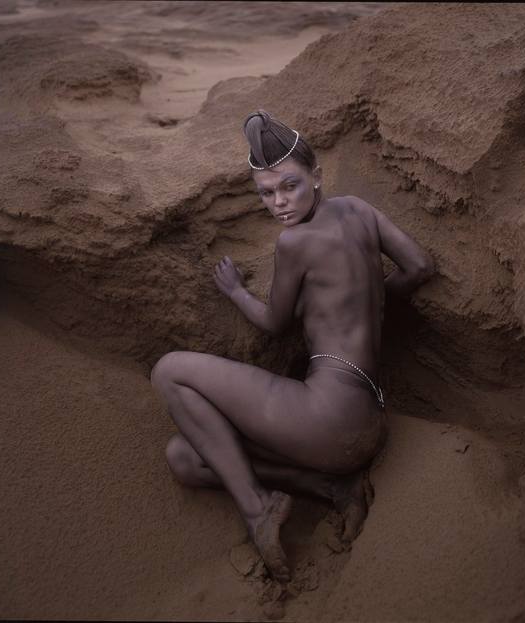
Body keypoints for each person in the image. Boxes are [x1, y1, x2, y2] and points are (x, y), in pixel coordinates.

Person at [150, 110, 435, 583]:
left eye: (290, 186)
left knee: (168, 371)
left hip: (326, 420)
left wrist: (235, 292)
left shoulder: (295, 241)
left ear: (316, 176)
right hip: (366, 422)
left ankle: (258, 510)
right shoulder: (359, 210)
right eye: (266, 193)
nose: (279, 202)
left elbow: (273, 324)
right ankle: (331, 487)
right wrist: (370, 300)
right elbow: (420, 266)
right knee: (186, 457)